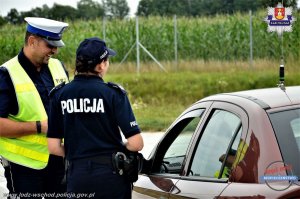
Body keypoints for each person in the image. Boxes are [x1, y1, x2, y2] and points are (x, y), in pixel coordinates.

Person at [47, 37, 144, 199]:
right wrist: (119, 152)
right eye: (107, 61)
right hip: (111, 177)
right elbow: (137, 143)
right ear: (100, 65)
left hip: (77, 177)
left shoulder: (59, 95)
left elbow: (53, 147)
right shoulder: (113, 94)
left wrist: (77, 154)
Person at [0, 17, 69, 197]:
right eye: (50, 45)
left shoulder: (58, 67)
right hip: (23, 167)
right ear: (32, 41)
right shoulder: (6, 74)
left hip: (58, 162)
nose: (54, 51)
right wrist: (39, 127)